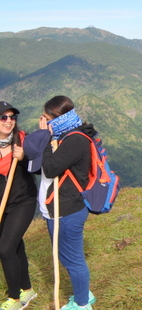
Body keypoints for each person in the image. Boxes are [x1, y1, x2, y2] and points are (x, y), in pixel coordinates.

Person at [36, 96, 96, 310]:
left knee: (73, 259)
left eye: (48, 118)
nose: (45, 121)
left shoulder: (74, 140)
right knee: (69, 256)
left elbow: (51, 168)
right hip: (63, 207)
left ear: (58, 118)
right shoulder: (68, 136)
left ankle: (81, 304)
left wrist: (44, 137)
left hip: (67, 210)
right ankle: (82, 294)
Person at [0, 102, 37, 310]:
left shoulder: (23, 140)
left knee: (4, 249)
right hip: (2, 204)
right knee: (15, 245)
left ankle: (14, 299)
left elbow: (40, 164)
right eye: (3, 117)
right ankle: (28, 290)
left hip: (23, 201)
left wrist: (24, 158)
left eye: (12, 117)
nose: (9, 121)